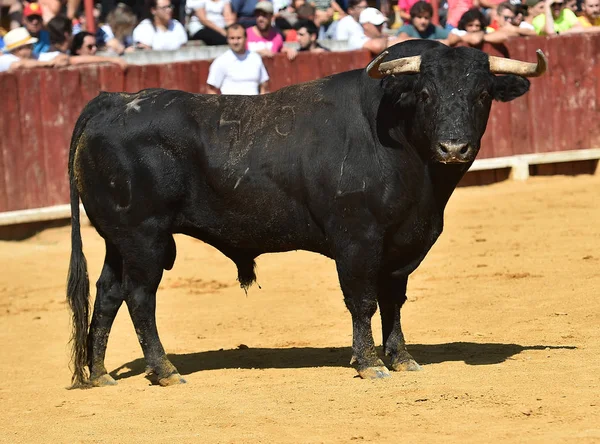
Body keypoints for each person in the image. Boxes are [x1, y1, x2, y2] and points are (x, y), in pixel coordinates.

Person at [206, 23, 269, 95]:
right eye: (232, 38)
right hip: (230, 105)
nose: (235, 42)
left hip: (254, 104)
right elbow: (211, 89)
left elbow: (264, 85)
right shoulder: (221, 61)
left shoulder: (255, 58)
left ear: (246, 38)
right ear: (227, 39)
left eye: (239, 38)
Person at [0, 27, 68, 72]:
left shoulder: (34, 56)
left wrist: (59, 60)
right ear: (17, 50)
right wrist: (49, 63)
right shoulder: (4, 59)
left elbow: (62, 56)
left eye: (30, 45)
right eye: (28, 46)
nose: (31, 48)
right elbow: (18, 65)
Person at [396, 2, 461, 44]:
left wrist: (449, 41)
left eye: (426, 18)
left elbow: (454, 37)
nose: (423, 21)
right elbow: (402, 41)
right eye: (419, 17)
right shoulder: (407, 28)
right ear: (412, 18)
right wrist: (438, 42)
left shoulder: (432, 29)